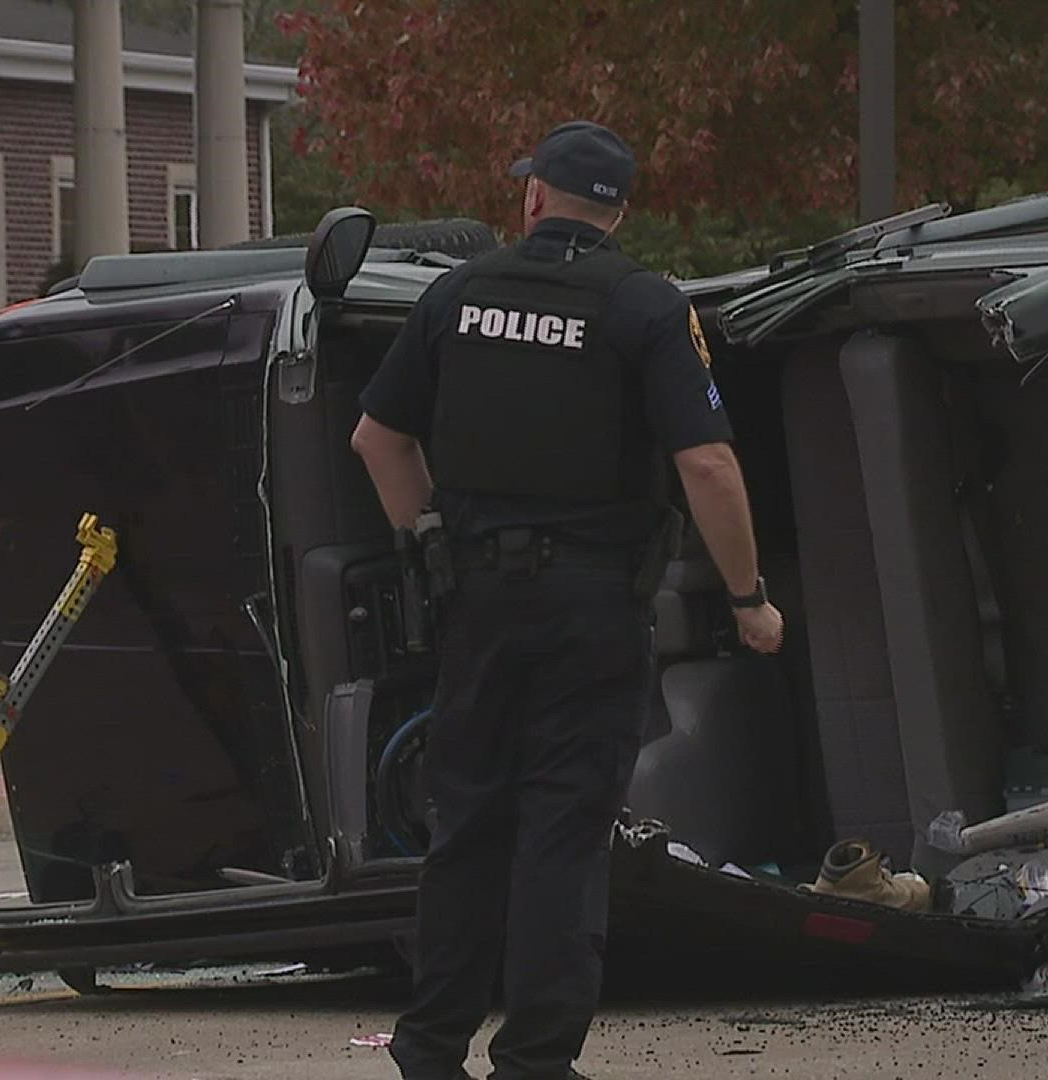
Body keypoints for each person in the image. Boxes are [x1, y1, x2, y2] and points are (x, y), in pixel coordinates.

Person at [350, 119, 785, 1080]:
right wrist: (749, 598)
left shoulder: (456, 297)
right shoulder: (643, 306)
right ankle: (536, 1059)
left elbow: (377, 439)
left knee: (465, 822)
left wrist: (426, 537)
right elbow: (706, 462)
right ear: (619, 209)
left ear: (536, 196)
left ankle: (428, 1047)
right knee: (563, 828)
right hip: (591, 603)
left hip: (478, 602)